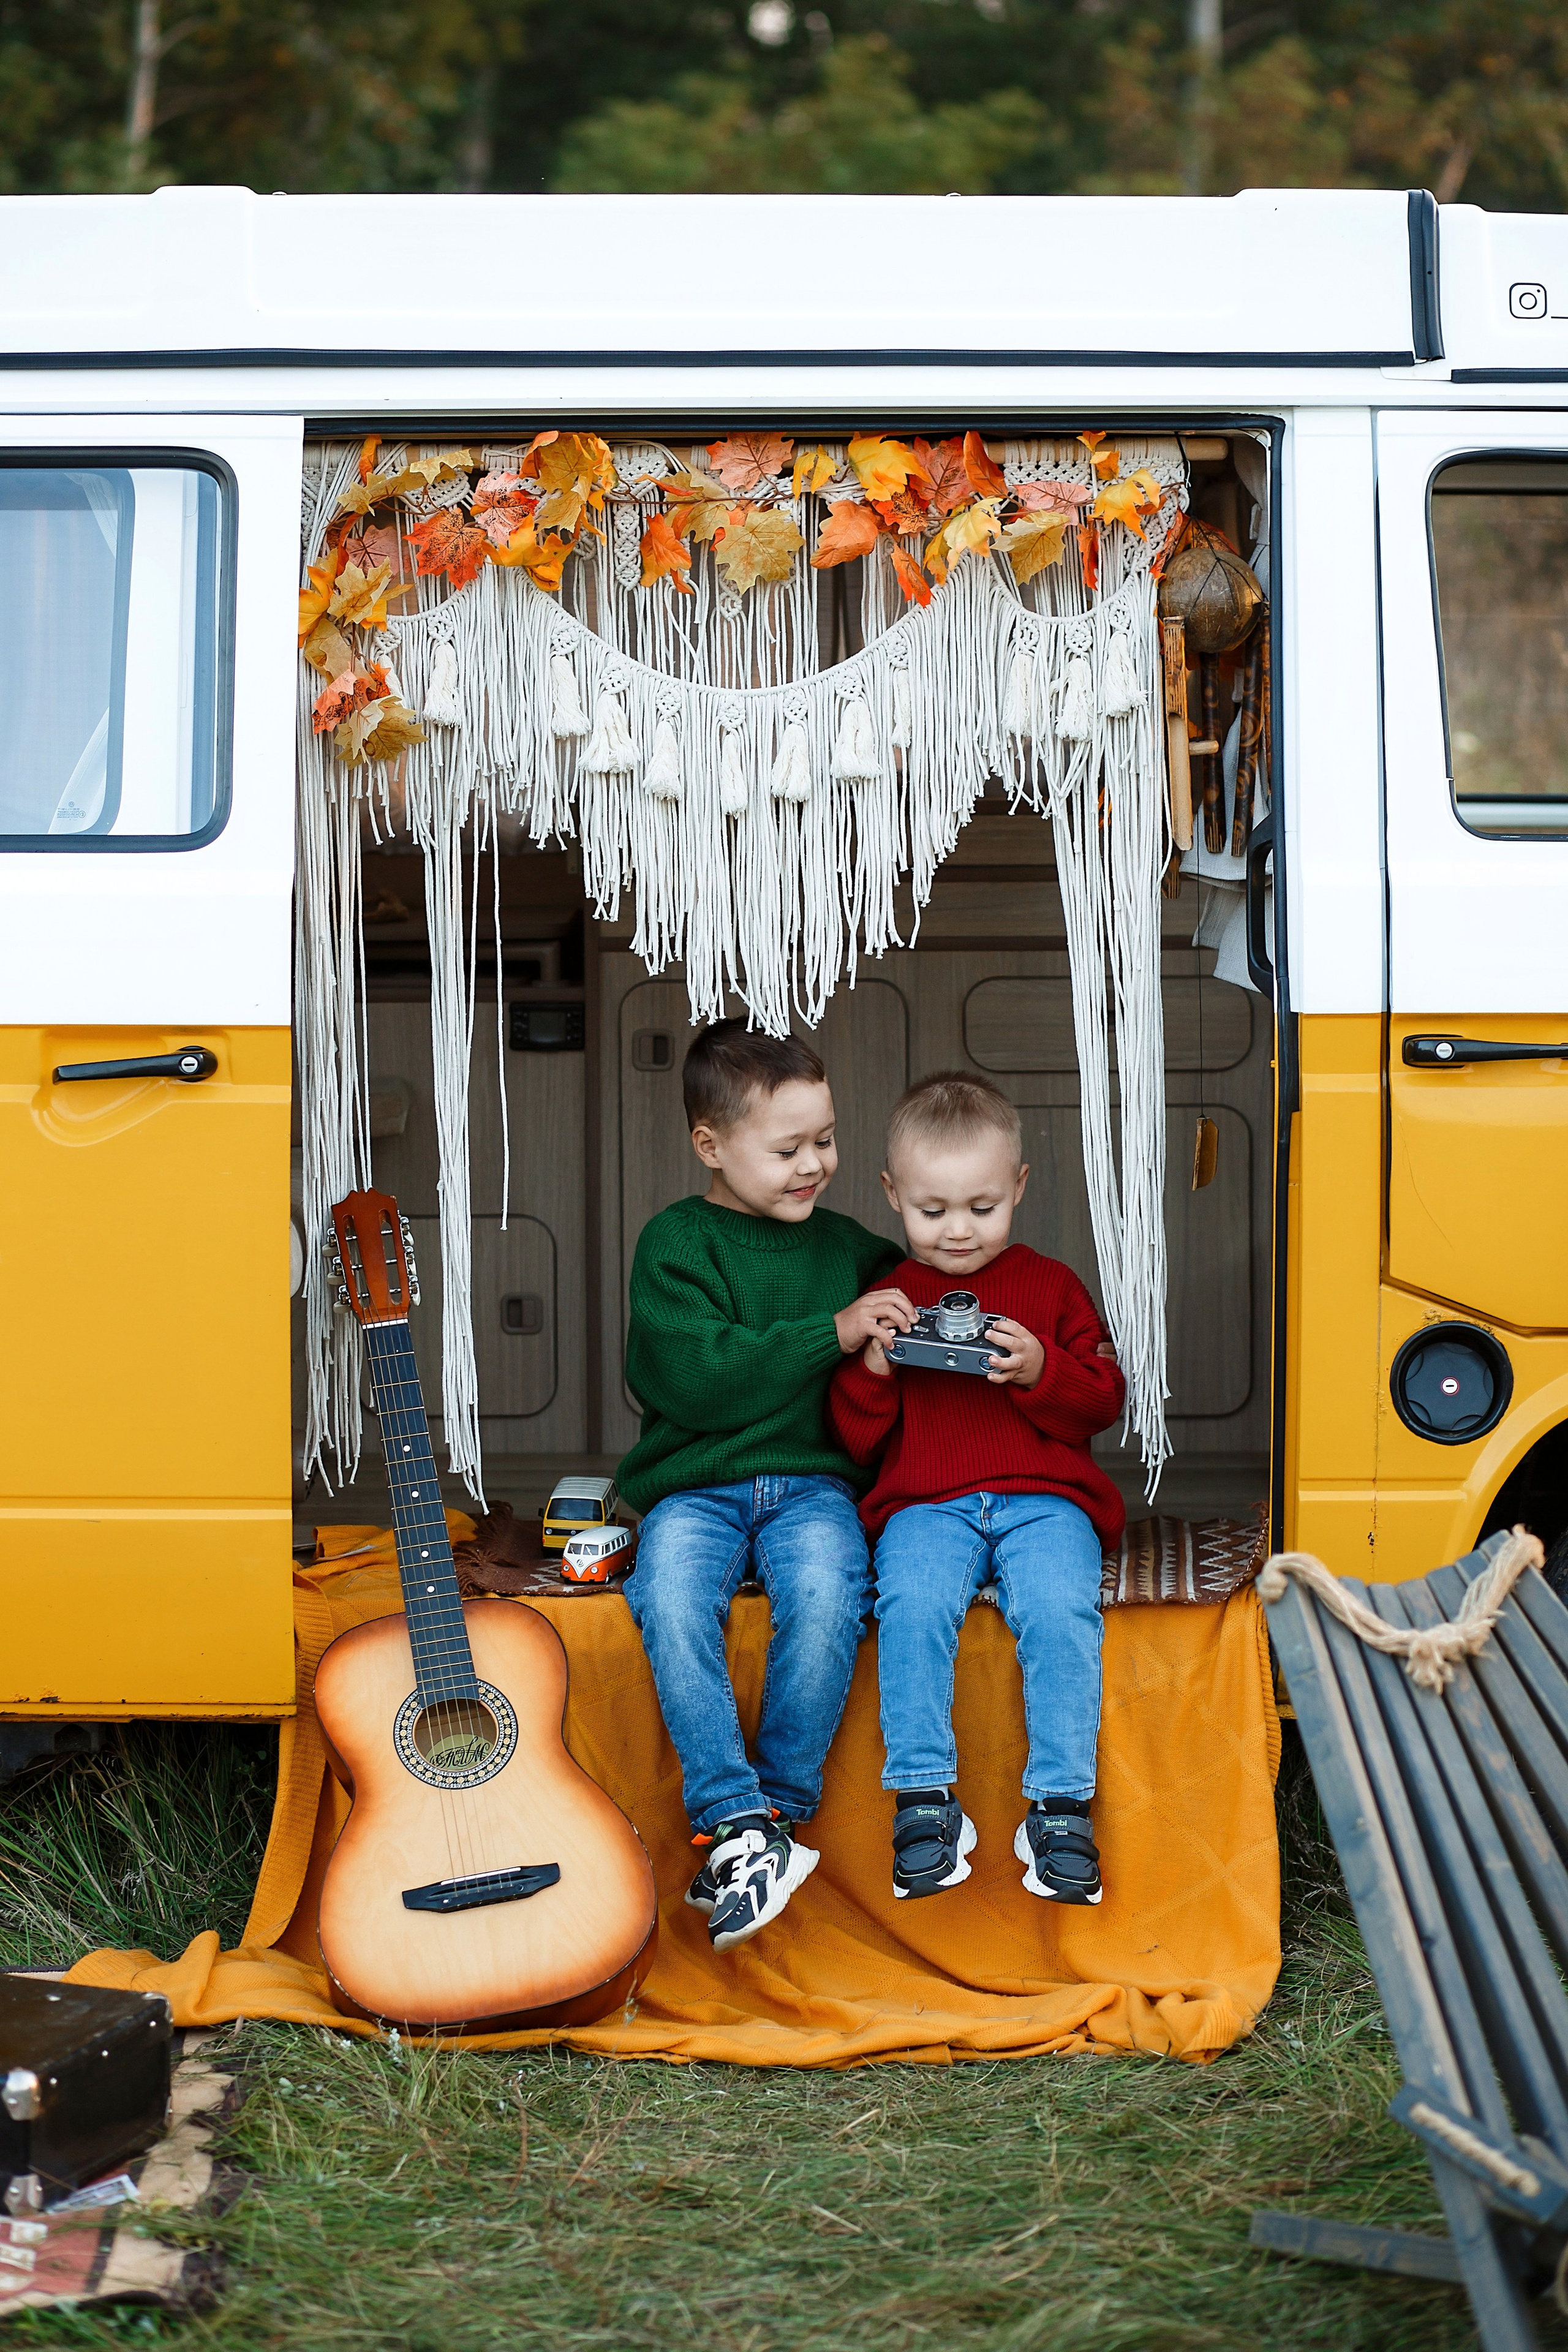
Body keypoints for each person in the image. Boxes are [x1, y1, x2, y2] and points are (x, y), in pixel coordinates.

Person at [618, 1019, 914, 1953]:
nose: (813, 1164)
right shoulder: (677, 1244)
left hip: (812, 1484)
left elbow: (928, 1284)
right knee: (666, 1598)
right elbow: (700, 1378)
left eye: (824, 1140)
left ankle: (772, 1820)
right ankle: (733, 1813)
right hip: (695, 1488)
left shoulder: (852, 1249)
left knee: (833, 1595)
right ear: (710, 1145)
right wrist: (832, 1330)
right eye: (787, 1148)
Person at [827, 1072, 1126, 1908]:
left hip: (1045, 1498)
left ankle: (1060, 1809)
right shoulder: (887, 1295)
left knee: (1062, 1612)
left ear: (1019, 1187)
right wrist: (878, 1366)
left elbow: (1103, 1402)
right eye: (933, 1211)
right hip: (926, 1502)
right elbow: (853, 1440)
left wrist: (1041, 1369)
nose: (958, 1232)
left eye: (982, 1207)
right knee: (911, 1607)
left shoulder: (1051, 1286)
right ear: (892, 1195)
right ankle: (924, 1799)